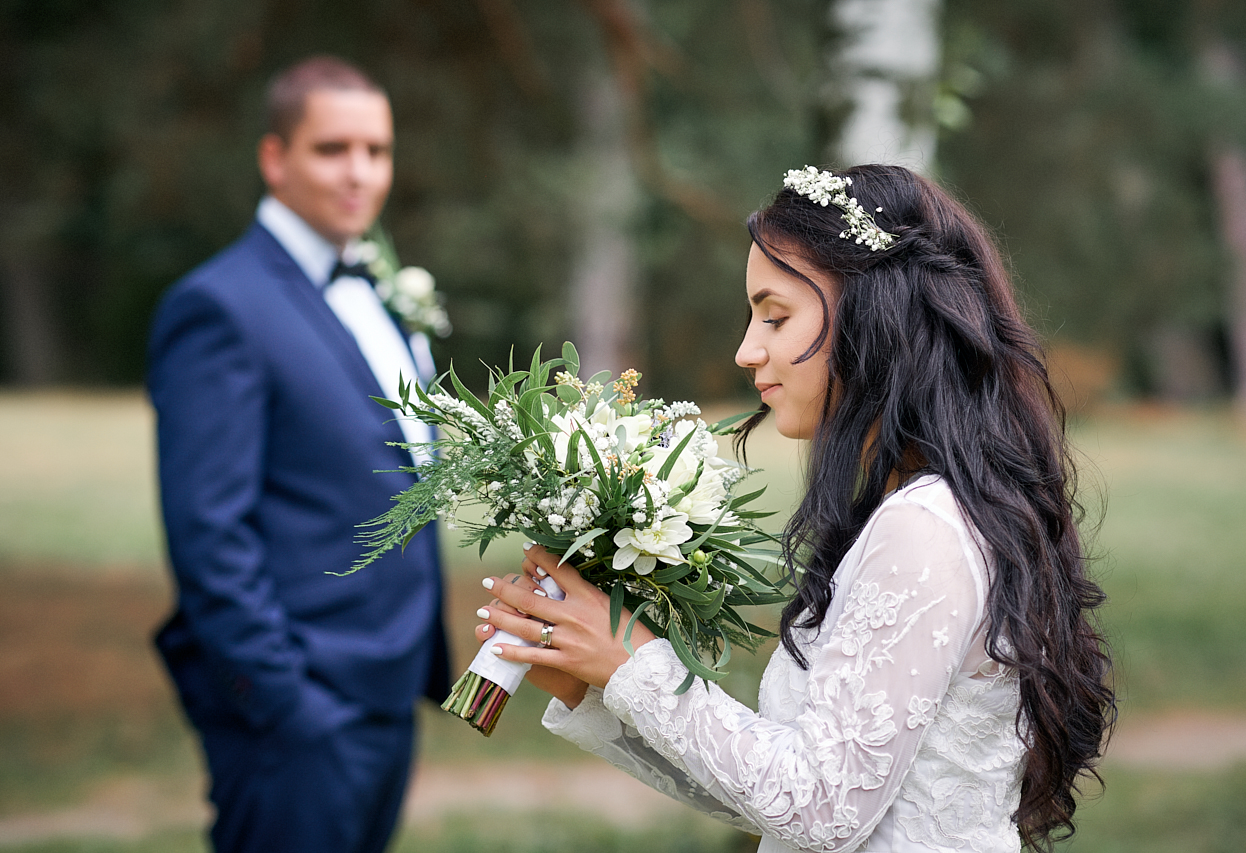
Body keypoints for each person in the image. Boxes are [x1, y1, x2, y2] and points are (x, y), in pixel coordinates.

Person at [473, 165, 1115, 852]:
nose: (748, 351)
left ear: (878, 314)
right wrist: (594, 684)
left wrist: (635, 656)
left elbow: (821, 808)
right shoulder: (913, 509)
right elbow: (782, 803)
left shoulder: (923, 528)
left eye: (776, 315)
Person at [147, 56, 449, 853]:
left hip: (389, 691)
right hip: (297, 709)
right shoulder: (218, 308)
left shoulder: (384, 294)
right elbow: (208, 532)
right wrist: (285, 701)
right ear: (274, 157)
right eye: (332, 149)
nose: (360, 173)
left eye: (377, 151)